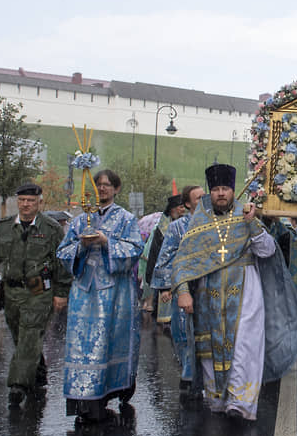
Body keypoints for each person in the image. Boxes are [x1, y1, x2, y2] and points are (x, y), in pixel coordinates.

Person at [170, 164, 297, 421]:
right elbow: (183, 261)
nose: (221, 194)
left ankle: (241, 404)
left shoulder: (247, 215)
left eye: (225, 189)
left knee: (244, 347)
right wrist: (183, 291)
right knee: (211, 348)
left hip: (246, 293)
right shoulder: (200, 222)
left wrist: (252, 224)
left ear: (233, 191)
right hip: (209, 295)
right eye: (216, 189)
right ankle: (218, 400)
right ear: (210, 192)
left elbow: (267, 251)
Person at [0, 184, 73, 407]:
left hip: (39, 291)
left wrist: (62, 293)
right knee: (21, 336)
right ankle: (38, 369)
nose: (26, 204)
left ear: (39, 203)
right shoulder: (5, 227)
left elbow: (61, 263)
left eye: (31, 201)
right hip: (11, 290)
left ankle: (18, 385)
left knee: (30, 333)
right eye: (22, 200)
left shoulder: (52, 228)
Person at [58, 169, 144, 423]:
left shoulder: (126, 219)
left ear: (116, 189)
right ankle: (84, 400)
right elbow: (62, 253)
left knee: (110, 342)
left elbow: (135, 249)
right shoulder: (79, 220)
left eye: (108, 185)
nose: (103, 189)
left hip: (115, 293)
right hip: (85, 292)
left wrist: (108, 242)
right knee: (82, 345)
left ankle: (109, 392)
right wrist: (81, 247)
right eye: (99, 185)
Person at [152, 184, 205, 398]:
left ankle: (203, 376)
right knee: (182, 331)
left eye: (205, 197)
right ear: (187, 204)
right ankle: (188, 371)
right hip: (184, 286)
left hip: (208, 287)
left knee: (205, 334)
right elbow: (164, 258)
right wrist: (167, 287)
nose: (204, 201)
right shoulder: (177, 228)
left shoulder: (215, 224)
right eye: (198, 198)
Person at [139, 194, 185, 325]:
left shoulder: (185, 224)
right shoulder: (161, 229)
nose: (183, 210)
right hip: (166, 276)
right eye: (180, 207)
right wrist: (151, 275)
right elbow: (155, 253)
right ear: (172, 210)